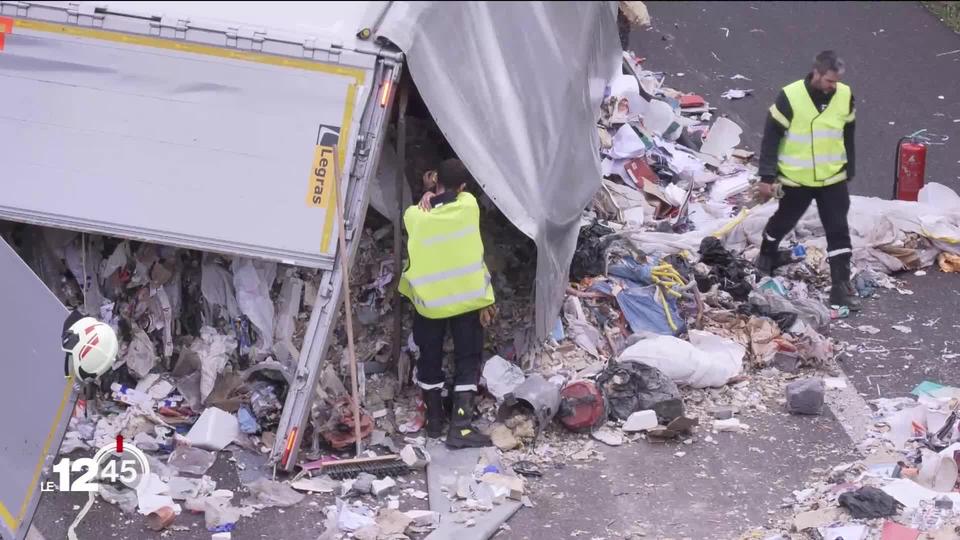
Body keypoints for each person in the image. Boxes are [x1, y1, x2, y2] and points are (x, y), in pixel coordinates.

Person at [399, 159, 495, 449]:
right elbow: (455, 194)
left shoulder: (414, 216)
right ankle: (461, 428)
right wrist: (437, 189)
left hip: (430, 304)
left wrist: (427, 192)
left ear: (434, 178)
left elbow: (426, 206)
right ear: (463, 186)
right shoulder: (469, 207)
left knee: (430, 358)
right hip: (467, 300)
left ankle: (434, 424)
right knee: (467, 359)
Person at [755, 50, 860, 310]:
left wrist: (850, 167)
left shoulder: (844, 96)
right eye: (829, 81)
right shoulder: (790, 96)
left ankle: (840, 287)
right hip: (796, 179)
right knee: (784, 221)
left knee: (838, 229)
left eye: (836, 82)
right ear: (817, 73)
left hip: (832, 177)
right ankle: (767, 254)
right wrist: (767, 176)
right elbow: (771, 136)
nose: (833, 87)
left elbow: (848, 133)